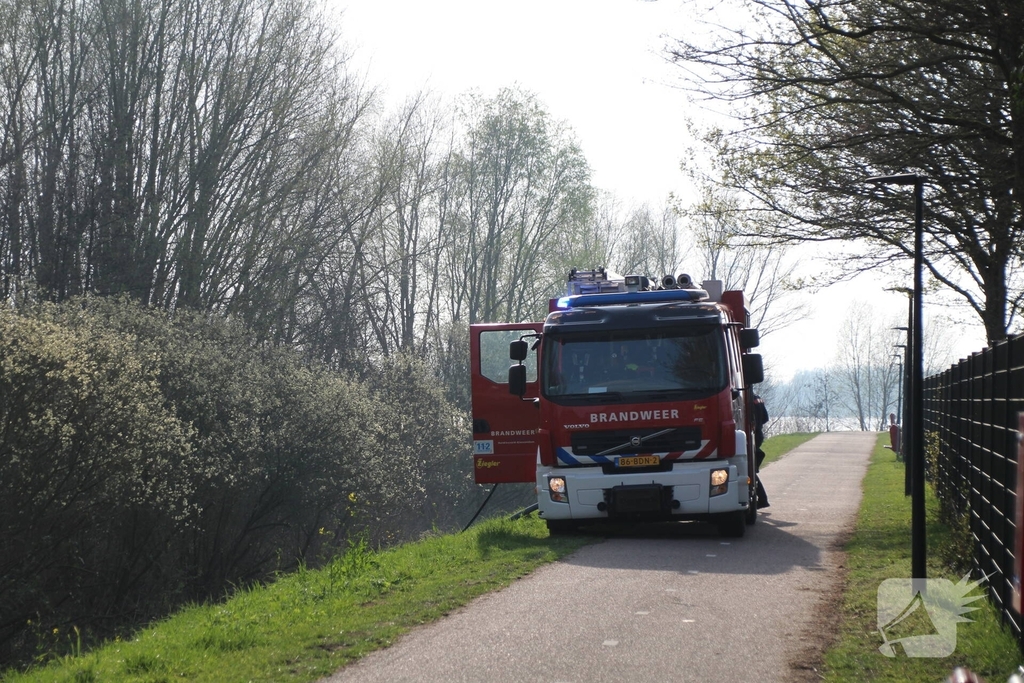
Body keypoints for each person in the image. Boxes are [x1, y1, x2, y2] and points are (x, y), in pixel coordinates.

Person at [753, 393, 770, 509]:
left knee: (750, 470)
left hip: (753, 435)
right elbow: (765, 418)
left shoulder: (745, 399)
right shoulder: (758, 399)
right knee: (751, 469)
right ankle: (762, 499)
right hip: (758, 434)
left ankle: (763, 499)